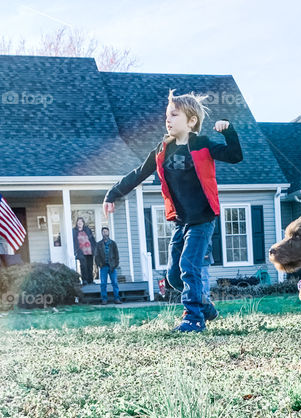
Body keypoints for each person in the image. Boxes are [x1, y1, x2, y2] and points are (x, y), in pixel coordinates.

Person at [103, 90, 242, 332]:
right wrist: (112, 193)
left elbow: (235, 155)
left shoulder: (203, 144)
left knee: (189, 266)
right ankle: (205, 306)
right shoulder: (162, 150)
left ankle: (193, 317)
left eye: (174, 115)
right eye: (167, 115)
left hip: (203, 218)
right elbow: (138, 174)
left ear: (191, 121)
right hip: (181, 221)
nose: (168, 119)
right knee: (173, 277)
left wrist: (228, 130)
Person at [94, 227, 121, 304]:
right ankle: (104, 299)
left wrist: (115, 264)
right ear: (102, 233)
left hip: (112, 266)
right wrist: (100, 264)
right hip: (103, 266)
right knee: (103, 284)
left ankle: (117, 298)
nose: (105, 233)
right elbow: (96, 256)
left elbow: (117, 255)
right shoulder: (99, 244)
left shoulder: (113, 243)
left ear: (108, 233)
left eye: (106, 232)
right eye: (103, 232)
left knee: (115, 283)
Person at [72, 217, 96, 284]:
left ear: (83, 223)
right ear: (76, 223)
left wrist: (94, 248)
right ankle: (84, 280)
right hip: (81, 251)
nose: (79, 223)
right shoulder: (74, 231)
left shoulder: (87, 230)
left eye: (81, 222)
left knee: (90, 266)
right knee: (83, 266)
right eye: (78, 222)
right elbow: (73, 241)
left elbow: (92, 239)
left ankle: (91, 280)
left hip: (89, 251)